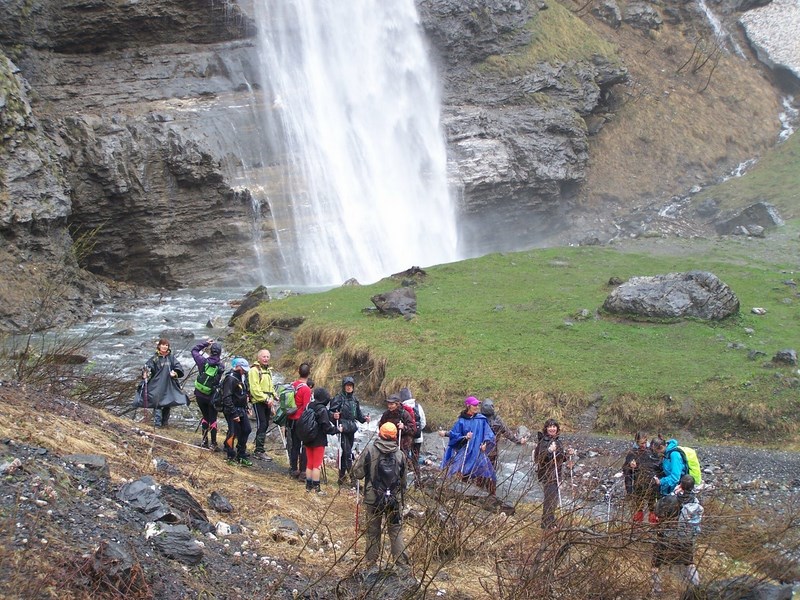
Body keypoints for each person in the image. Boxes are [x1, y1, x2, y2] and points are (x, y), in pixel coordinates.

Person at [351, 422, 409, 568]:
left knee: (372, 532)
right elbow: (403, 482)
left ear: (380, 434)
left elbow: (357, 474)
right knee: (396, 532)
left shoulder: (370, 450)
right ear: (395, 436)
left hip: (373, 498)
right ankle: (402, 565)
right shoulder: (400, 454)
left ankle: (371, 564)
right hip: (393, 500)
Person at [651, 474, 703, 594]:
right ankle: (698, 588)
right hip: (686, 538)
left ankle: (656, 590)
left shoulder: (671, 499)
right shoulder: (696, 501)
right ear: (692, 486)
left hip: (667, 538)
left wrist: (672, 494)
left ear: (680, 485)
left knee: (656, 563)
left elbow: (657, 510)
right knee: (689, 563)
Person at [439, 397, 496, 492]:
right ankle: (462, 494)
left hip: (478, 451)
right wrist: (463, 437)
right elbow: (455, 435)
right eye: (474, 405)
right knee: (463, 473)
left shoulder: (481, 419)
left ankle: (489, 496)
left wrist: (485, 444)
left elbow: (489, 434)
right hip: (465, 451)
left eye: (477, 405)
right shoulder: (461, 421)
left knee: (487, 474)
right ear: (468, 406)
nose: (477, 407)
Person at [330, 376, 370, 487]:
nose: (349, 388)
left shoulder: (354, 400)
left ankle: (341, 478)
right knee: (347, 453)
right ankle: (353, 480)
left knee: (346, 453)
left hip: (351, 428)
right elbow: (330, 414)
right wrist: (334, 416)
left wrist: (365, 419)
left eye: (351, 386)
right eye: (347, 385)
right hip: (342, 428)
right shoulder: (338, 398)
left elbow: (358, 415)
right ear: (344, 386)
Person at [142, 338, 188, 427]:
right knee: (157, 403)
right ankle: (157, 425)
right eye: (163, 345)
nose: (164, 347)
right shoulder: (154, 358)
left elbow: (179, 368)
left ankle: (165, 424)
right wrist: (145, 373)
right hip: (157, 385)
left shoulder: (171, 358)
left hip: (168, 384)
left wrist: (175, 373)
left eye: (166, 345)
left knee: (167, 403)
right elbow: (148, 368)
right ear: (159, 346)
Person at [533, 418, 568, 529]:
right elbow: (539, 458)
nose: (552, 428)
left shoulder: (557, 440)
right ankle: (546, 524)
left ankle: (551, 521)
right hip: (547, 474)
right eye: (550, 426)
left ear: (557, 428)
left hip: (556, 473)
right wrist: (549, 451)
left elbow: (560, 457)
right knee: (550, 499)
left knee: (553, 499)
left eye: (554, 426)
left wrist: (567, 455)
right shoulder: (544, 441)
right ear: (546, 428)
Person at [191, 339, 225, 450]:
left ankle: (204, 441)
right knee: (213, 419)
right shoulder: (221, 366)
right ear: (220, 353)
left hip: (200, 394)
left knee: (205, 417)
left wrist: (205, 343)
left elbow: (194, 350)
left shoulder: (202, 362)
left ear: (210, 351)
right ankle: (213, 444)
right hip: (212, 396)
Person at [623, 431, 662, 523]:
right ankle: (637, 527)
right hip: (639, 484)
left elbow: (659, 467)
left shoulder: (652, 450)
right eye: (641, 443)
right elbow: (626, 472)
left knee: (652, 507)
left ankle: (653, 526)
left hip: (652, 484)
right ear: (636, 442)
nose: (644, 445)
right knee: (638, 507)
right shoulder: (632, 453)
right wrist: (629, 490)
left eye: (645, 442)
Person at [304, 387, 337, 495]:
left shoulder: (310, 405)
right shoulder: (322, 409)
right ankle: (317, 489)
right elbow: (326, 427)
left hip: (308, 438)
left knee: (309, 463)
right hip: (318, 440)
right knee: (317, 465)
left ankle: (308, 487)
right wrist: (337, 430)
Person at [480, 398, 526, 473]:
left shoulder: (478, 418)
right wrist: (518, 440)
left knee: (479, 474)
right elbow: (507, 432)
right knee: (491, 473)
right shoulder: (497, 419)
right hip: (492, 452)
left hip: (479, 451)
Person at [221, 357, 252, 466]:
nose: (244, 371)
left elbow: (243, 394)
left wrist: (247, 407)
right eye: (243, 368)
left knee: (247, 429)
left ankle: (241, 454)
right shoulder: (230, 378)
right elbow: (226, 398)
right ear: (237, 367)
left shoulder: (242, 377)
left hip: (241, 409)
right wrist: (234, 413)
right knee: (233, 433)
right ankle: (230, 456)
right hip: (232, 410)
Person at [248, 348, 276, 461]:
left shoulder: (268, 370)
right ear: (258, 358)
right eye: (264, 357)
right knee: (262, 424)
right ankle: (259, 451)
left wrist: (274, 395)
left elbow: (270, 386)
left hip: (267, 400)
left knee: (265, 424)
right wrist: (265, 399)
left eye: (267, 357)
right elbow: (254, 388)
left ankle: (260, 448)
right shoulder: (254, 370)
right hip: (259, 401)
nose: (266, 359)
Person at [286, 363, 312, 479]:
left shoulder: (293, 385)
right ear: (309, 373)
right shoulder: (306, 389)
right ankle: (302, 471)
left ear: (298, 372)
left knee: (294, 445)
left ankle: (293, 468)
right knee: (304, 445)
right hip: (301, 421)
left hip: (291, 418)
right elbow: (307, 407)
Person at [400, 387, 425, 487]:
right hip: (418, 438)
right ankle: (417, 483)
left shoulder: (402, 408)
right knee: (416, 460)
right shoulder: (418, 406)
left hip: (405, 439)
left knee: (404, 459)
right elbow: (423, 422)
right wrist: (416, 431)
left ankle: (403, 483)